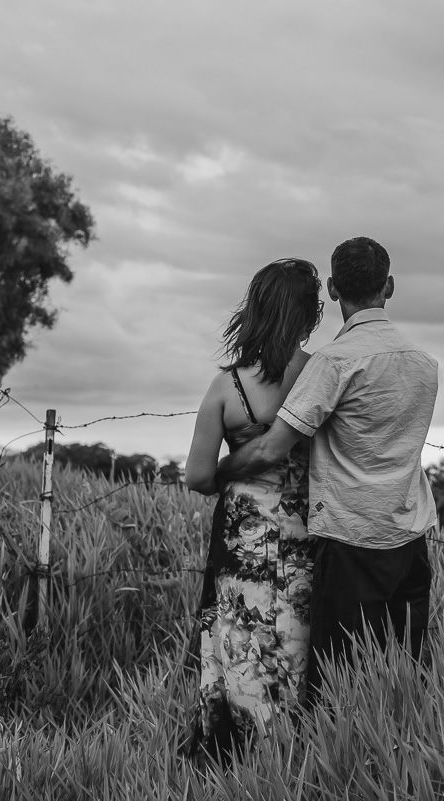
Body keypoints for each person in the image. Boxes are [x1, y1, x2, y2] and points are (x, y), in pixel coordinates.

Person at [216, 236, 439, 707]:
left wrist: (218, 471)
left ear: (334, 289)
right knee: (407, 673)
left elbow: (269, 451)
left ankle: (338, 766)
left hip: (350, 540)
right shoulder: (425, 363)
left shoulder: (334, 363)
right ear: (390, 286)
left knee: (337, 681)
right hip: (410, 536)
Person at [181, 257, 323, 757]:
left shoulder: (227, 387)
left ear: (256, 310)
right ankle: (300, 751)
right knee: (298, 637)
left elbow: (197, 475)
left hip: (242, 536)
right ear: (310, 315)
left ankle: (243, 750)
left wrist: (230, 469)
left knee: (242, 637)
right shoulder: (321, 375)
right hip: (308, 530)